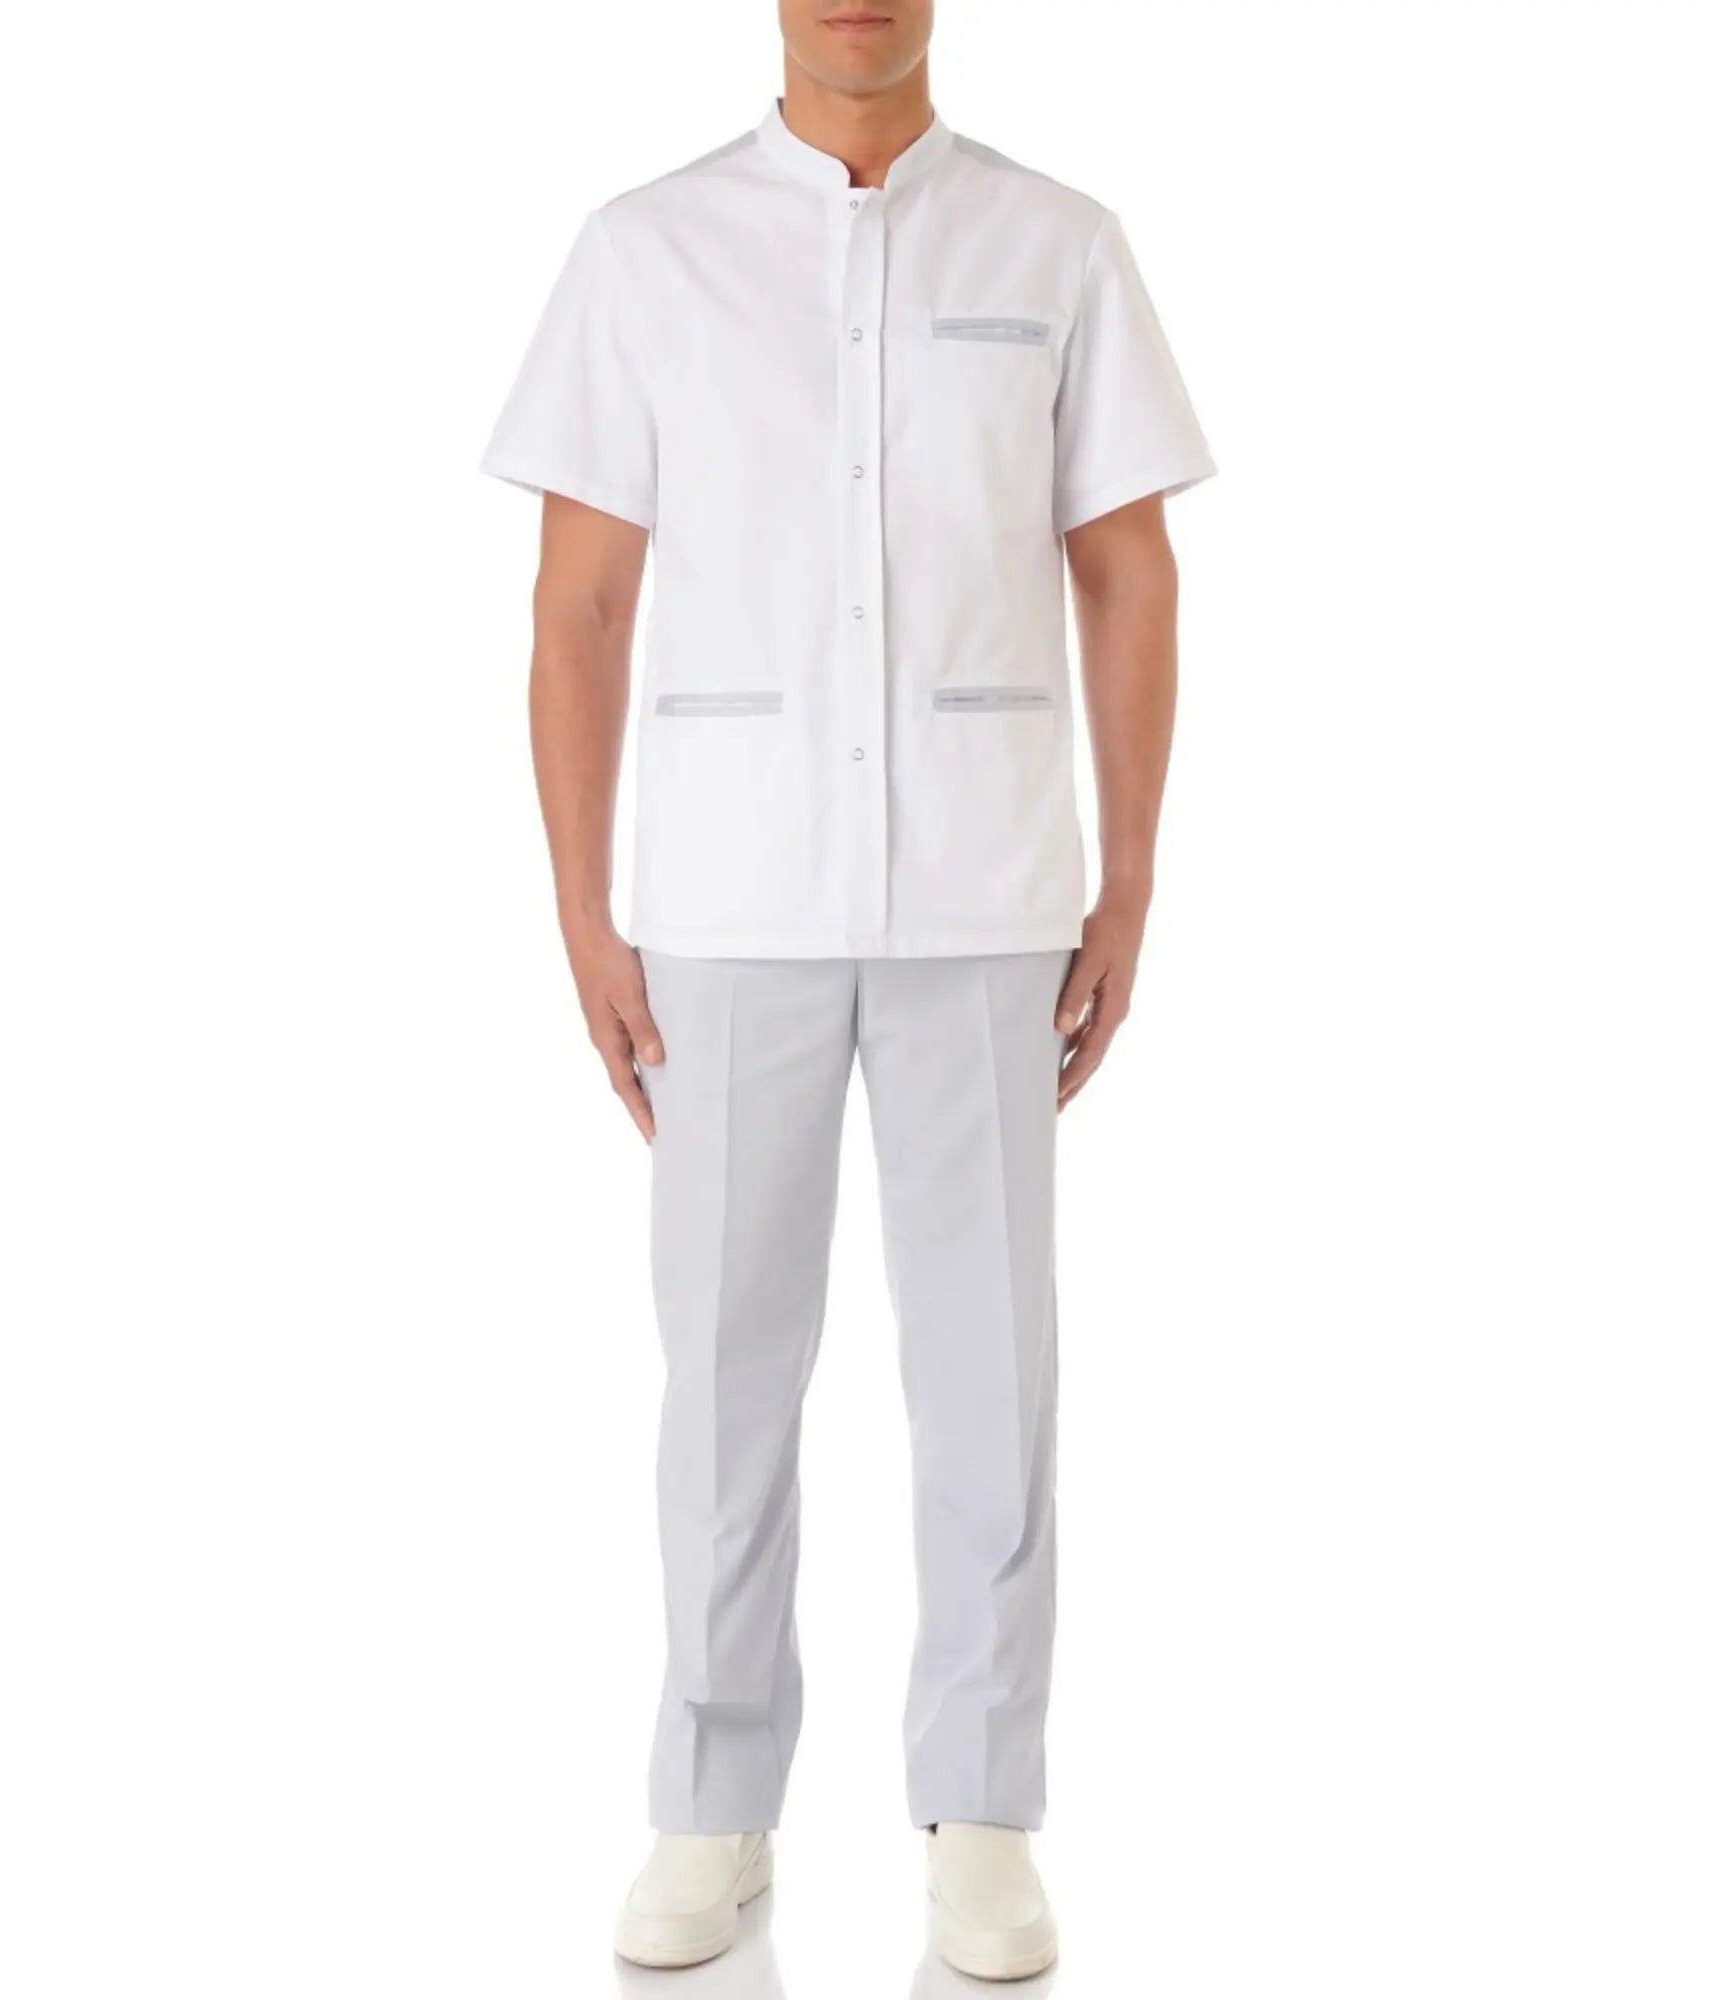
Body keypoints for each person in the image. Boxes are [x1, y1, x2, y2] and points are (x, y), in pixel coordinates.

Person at [482, 0, 1213, 1978]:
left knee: (991, 1368)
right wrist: (581, 907)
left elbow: (1128, 572)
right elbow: (578, 603)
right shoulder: (646, 250)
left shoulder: (1059, 245)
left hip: (988, 891)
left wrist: (1131, 871)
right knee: (725, 1367)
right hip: (728, 900)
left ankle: (983, 1808)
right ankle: (712, 1805)